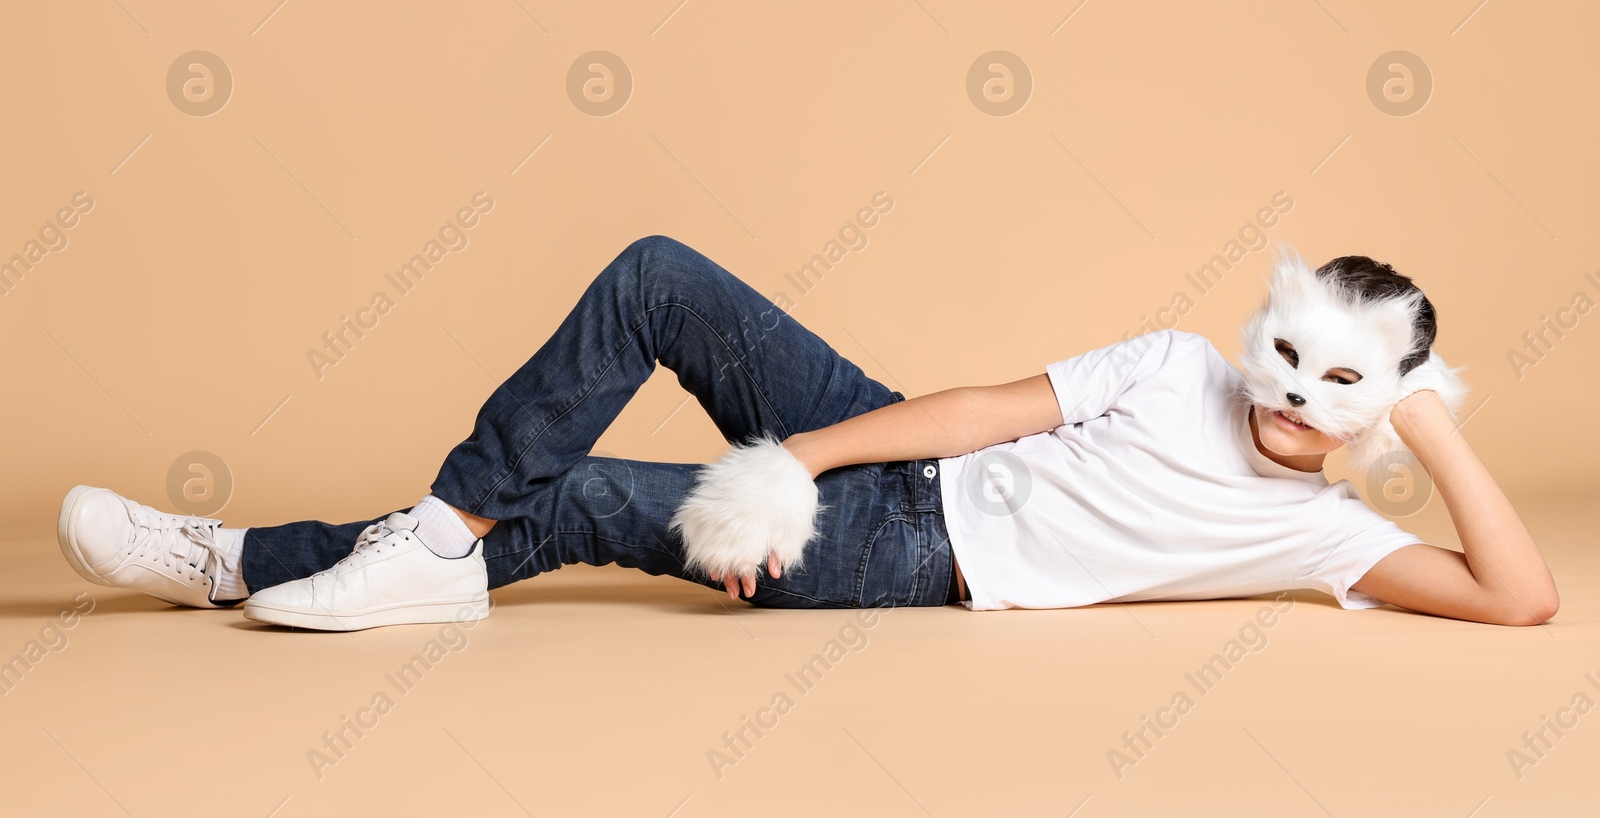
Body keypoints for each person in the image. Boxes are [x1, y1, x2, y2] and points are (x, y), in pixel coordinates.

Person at [56, 235, 1558, 631]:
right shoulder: (1175, 365)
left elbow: (1517, 595)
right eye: (1289, 359)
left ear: (1388, 414)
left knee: (572, 505)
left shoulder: (1334, 533)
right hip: (893, 461)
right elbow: (978, 408)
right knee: (655, 273)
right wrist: (803, 457)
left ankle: (228, 558)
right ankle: (439, 539)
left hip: (916, 563)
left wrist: (1428, 427)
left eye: (1345, 392)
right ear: (1261, 330)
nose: (1295, 403)